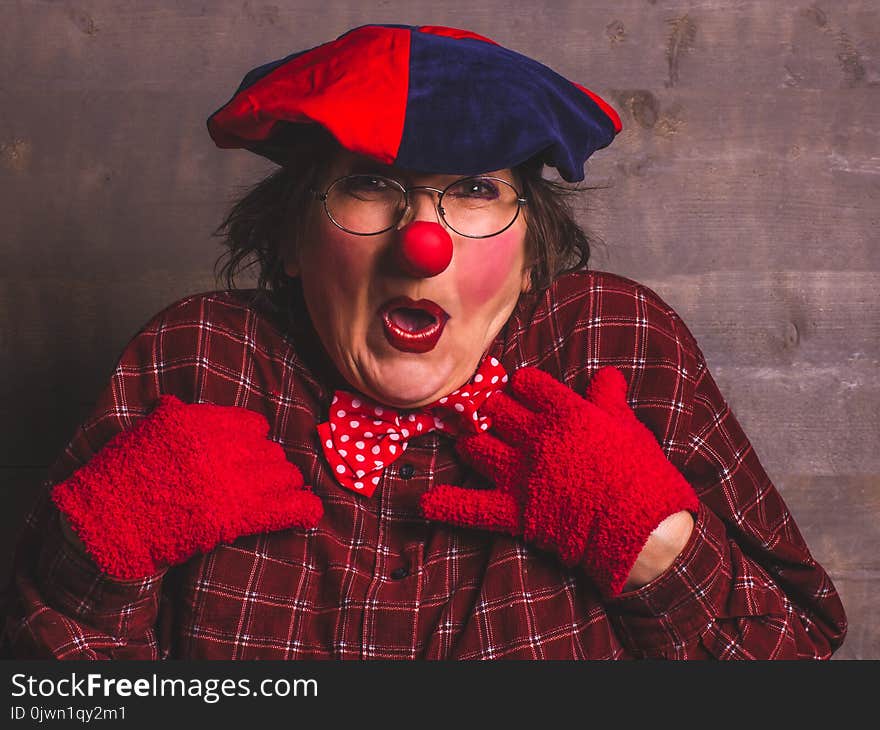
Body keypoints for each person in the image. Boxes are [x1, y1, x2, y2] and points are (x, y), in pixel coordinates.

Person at [2, 24, 847, 660]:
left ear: (530, 260)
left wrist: (660, 551)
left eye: (476, 189)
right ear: (291, 245)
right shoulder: (202, 356)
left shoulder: (614, 342)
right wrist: (97, 563)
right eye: (372, 184)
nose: (423, 241)